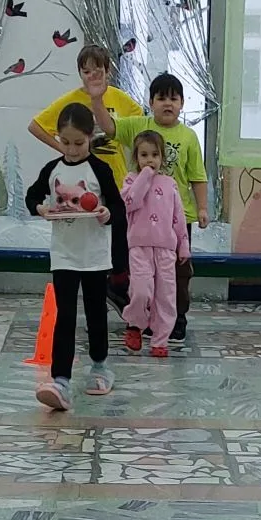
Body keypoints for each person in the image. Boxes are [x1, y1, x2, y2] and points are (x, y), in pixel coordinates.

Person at [90, 72, 208, 343]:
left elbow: (197, 176)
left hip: (177, 220)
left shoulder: (189, 136)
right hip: (141, 221)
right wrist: (97, 99)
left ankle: (176, 319)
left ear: (182, 103)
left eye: (174, 99)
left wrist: (202, 208)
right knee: (144, 275)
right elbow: (109, 128)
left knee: (178, 276)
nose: (168, 103)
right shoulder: (138, 126)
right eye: (161, 98)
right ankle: (143, 318)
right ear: (151, 102)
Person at [25, 103, 127, 410]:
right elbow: (32, 195)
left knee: (96, 313)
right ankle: (61, 380)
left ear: (90, 137)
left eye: (78, 143)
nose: (71, 150)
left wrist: (106, 214)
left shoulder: (100, 170)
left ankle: (100, 366)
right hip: (64, 255)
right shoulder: (52, 169)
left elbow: (118, 208)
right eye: (65, 142)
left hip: (94, 256)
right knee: (65, 315)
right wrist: (40, 208)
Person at [29, 44, 142, 317]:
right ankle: (92, 292)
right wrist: (64, 149)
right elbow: (36, 126)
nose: (92, 75)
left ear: (108, 70)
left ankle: (116, 286)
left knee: (120, 241)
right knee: (88, 240)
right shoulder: (71, 100)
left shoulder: (122, 100)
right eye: (86, 70)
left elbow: (138, 131)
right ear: (80, 72)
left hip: (115, 180)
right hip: (81, 187)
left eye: (98, 69)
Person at [121, 131, 191, 358]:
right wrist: (144, 176)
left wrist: (183, 245)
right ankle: (135, 325)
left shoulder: (170, 184)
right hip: (139, 247)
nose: (149, 160)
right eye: (144, 155)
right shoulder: (131, 180)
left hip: (166, 249)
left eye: (154, 155)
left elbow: (178, 217)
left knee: (166, 296)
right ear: (136, 157)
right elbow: (130, 203)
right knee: (141, 290)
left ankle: (160, 340)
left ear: (162, 157)